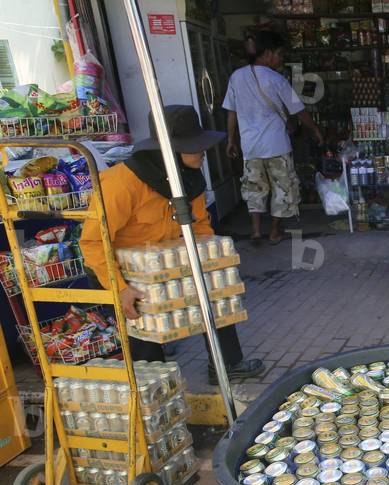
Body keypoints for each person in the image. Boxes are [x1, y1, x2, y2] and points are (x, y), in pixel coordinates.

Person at [81, 105, 265, 382]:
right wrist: (120, 288)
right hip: (122, 273)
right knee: (145, 340)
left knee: (215, 294)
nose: (203, 153)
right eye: (195, 147)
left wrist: (214, 264)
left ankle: (226, 365)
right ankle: (155, 385)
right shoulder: (120, 183)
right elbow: (93, 243)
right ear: (171, 152)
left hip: (166, 261)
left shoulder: (189, 180)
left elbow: (200, 225)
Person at [223, 30, 323, 245]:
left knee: (254, 189)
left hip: (250, 147)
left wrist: (231, 140)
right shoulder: (276, 79)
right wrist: (315, 129)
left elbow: (231, 111)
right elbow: (299, 111)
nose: (280, 59)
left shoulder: (236, 77)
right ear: (267, 54)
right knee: (283, 188)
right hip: (277, 146)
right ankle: (275, 232)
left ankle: (256, 231)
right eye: (279, 54)